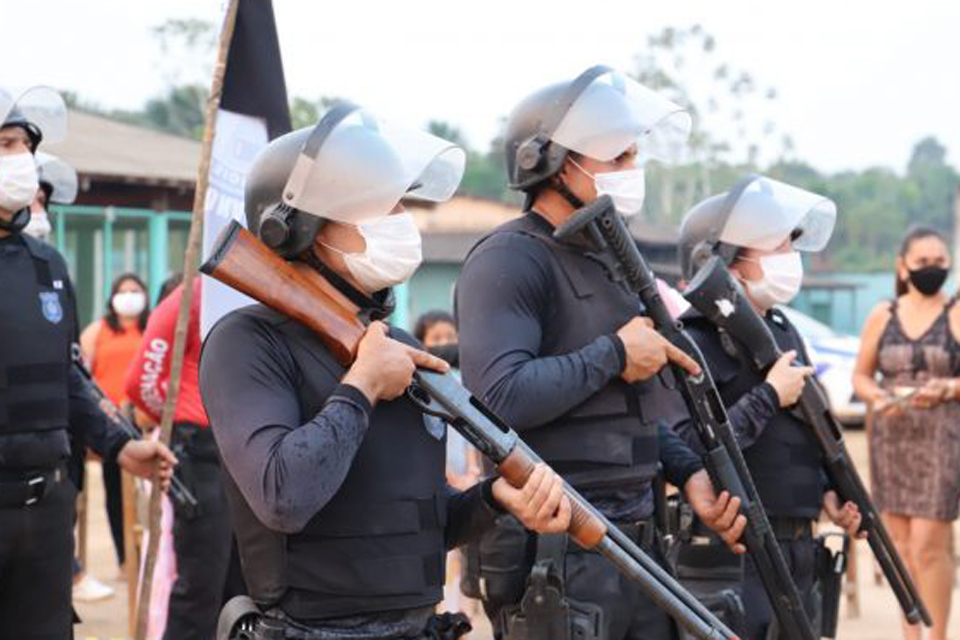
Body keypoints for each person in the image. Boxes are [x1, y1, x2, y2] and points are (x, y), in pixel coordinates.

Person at [200, 103, 574, 640]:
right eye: (380, 208)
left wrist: (493, 502)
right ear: (298, 228)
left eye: (400, 205)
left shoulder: (396, 346)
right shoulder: (246, 342)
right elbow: (283, 496)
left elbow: (414, 519)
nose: (401, 221)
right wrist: (362, 386)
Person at [455, 66, 746, 640]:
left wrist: (688, 473)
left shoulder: (608, 262)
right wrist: (612, 353)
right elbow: (497, 399)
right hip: (554, 552)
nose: (631, 172)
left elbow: (626, 412)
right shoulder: (508, 259)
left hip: (639, 544)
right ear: (557, 164)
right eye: (617, 158)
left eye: (635, 156)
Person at [0, 84, 176, 640]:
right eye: (4, 145)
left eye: (22, 146)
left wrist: (122, 444)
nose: (20, 161)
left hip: (47, 508)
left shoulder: (45, 264)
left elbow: (68, 373)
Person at [674, 175, 864, 639]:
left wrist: (826, 493)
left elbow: (802, 432)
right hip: (734, 553)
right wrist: (768, 396)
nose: (790, 259)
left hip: (800, 546)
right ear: (725, 264)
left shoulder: (782, 330)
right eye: (776, 248)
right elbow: (692, 452)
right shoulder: (689, 340)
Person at [853, 225, 960, 640]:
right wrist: (878, 397)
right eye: (923, 262)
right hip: (891, 436)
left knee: (930, 544)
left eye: (939, 261)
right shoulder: (884, 313)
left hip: (941, 437)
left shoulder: (955, 311)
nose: (932, 269)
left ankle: (937, 636)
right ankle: (909, 634)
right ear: (903, 266)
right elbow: (861, 376)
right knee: (899, 546)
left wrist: (948, 387)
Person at [125, 276, 243, 640]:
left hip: (246, 446)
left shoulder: (258, 287)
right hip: (201, 449)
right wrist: (184, 415)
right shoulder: (193, 294)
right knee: (201, 584)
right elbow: (141, 383)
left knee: (243, 587)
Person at [79, 272, 150, 581]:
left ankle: (146, 558)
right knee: (115, 495)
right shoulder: (99, 331)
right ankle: (125, 560)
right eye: (124, 291)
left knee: (146, 498)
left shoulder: (151, 328)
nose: (130, 296)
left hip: (144, 423)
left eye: (136, 290)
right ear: (112, 297)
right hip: (108, 423)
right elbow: (81, 374)